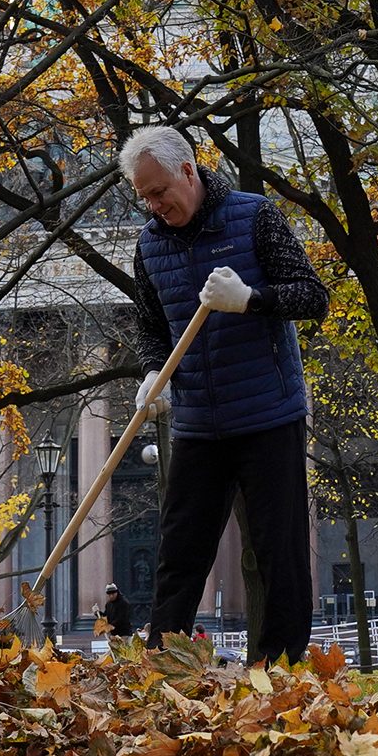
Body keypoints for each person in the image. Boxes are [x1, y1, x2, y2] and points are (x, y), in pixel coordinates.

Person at [123, 126, 329, 665]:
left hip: (268, 414)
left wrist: (249, 299)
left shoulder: (255, 215)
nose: (154, 204)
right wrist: (152, 373)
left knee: (277, 549)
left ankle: (280, 666)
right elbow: (151, 326)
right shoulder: (149, 245)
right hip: (197, 423)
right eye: (143, 195)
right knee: (179, 553)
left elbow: (312, 297)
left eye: (159, 190)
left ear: (188, 171)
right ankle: (162, 664)